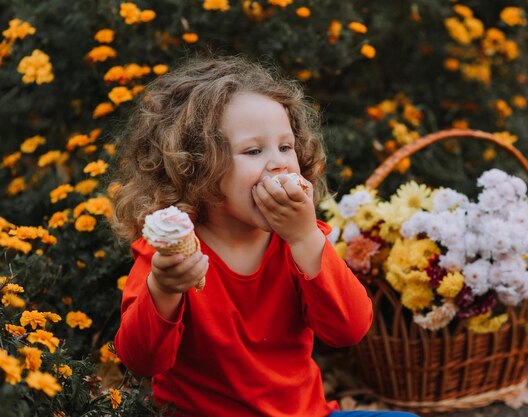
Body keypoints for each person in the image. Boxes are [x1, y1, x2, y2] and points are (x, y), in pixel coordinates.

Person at [111, 55, 418, 417]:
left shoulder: (301, 239)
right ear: (196, 168)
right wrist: (163, 289)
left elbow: (349, 329)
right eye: (254, 151)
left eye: (286, 147)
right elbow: (142, 360)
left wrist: (304, 239)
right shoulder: (169, 255)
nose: (279, 163)